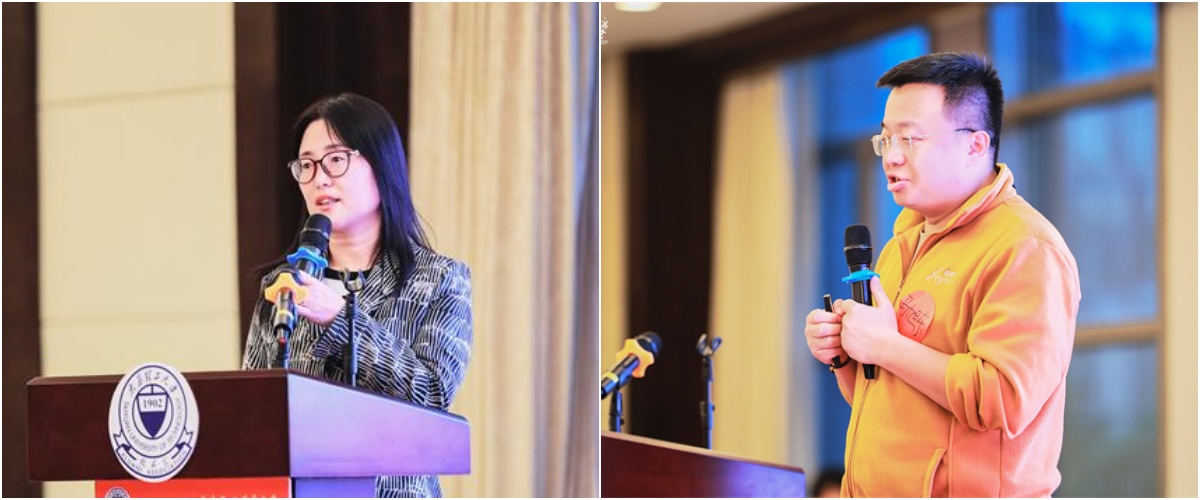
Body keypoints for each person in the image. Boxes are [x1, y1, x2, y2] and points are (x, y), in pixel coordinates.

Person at [803, 52, 1080, 497]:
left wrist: (886, 345)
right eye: (885, 139)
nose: (891, 157)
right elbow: (883, 397)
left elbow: (1002, 400)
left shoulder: (1025, 247)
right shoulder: (902, 245)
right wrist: (844, 353)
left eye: (909, 139)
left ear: (975, 145)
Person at [243, 92, 473, 498]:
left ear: (381, 166)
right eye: (307, 165)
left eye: (336, 159)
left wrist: (341, 319)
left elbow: (432, 395)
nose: (319, 178)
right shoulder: (282, 287)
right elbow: (252, 413)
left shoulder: (438, 279)